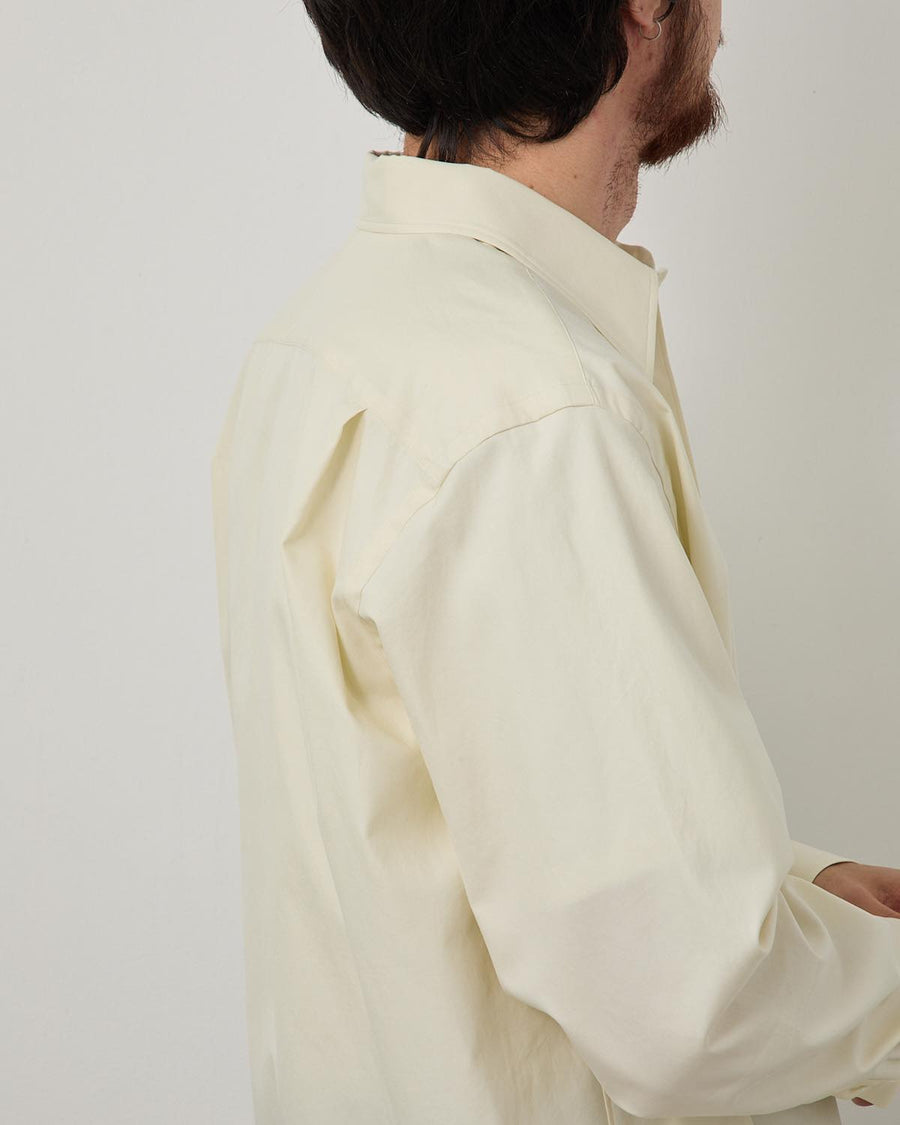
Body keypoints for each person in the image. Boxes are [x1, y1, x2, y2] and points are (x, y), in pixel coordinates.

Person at [209, 1, 900, 1121]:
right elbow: (696, 1010)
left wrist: (788, 894)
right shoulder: (533, 409)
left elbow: (445, 827)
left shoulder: (326, 336)